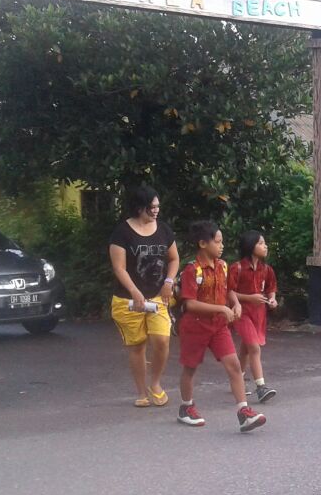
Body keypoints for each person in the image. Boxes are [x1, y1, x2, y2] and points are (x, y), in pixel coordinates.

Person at [175, 221, 267, 433]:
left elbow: (228, 291)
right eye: (217, 242)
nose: (222, 245)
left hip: (218, 326)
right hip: (195, 326)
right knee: (190, 368)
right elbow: (189, 303)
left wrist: (234, 303)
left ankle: (244, 412)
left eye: (222, 241)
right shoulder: (192, 270)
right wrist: (221, 309)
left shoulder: (223, 266)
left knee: (234, 365)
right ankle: (186, 407)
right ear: (202, 244)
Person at [108, 184, 179, 408]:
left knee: (162, 340)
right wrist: (134, 291)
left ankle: (155, 383)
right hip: (129, 300)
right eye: (152, 207)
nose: (157, 211)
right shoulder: (122, 232)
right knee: (137, 346)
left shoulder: (164, 230)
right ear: (140, 208)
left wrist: (169, 281)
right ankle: (141, 392)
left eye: (158, 206)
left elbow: (174, 259)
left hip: (158, 296)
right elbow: (119, 268)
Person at [229, 230, 278, 404]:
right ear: (250, 246)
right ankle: (261, 387)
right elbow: (229, 292)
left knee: (246, 348)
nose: (265, 246)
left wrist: (272, 299)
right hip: (242, 314)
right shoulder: (237, 267)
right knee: (254, 348)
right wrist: (249, 298)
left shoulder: (266, 269)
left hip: (259, 314)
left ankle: (238, 379)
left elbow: (271, 288)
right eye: (261, 243)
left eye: (264, 243)